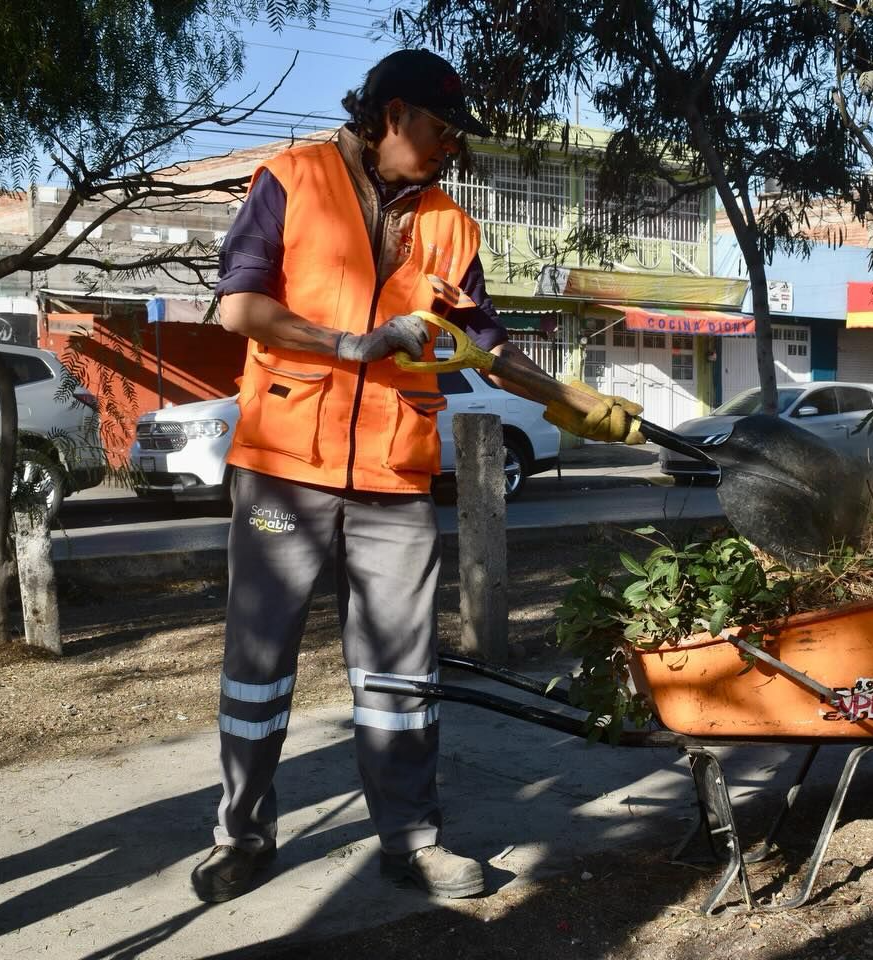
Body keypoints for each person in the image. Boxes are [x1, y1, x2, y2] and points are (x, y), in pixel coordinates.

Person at [191, 48, 643, 904]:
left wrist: (567, 400)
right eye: (440, 129)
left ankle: (412, 839)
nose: (449, 148)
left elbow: (487, 344)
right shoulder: (291, 179)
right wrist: (350, 344)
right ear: (393, 114)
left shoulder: (450, 225)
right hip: (285, 467)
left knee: (401, 672)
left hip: (395, 472)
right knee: (259, 664)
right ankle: (242, 836)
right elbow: (238, 306)